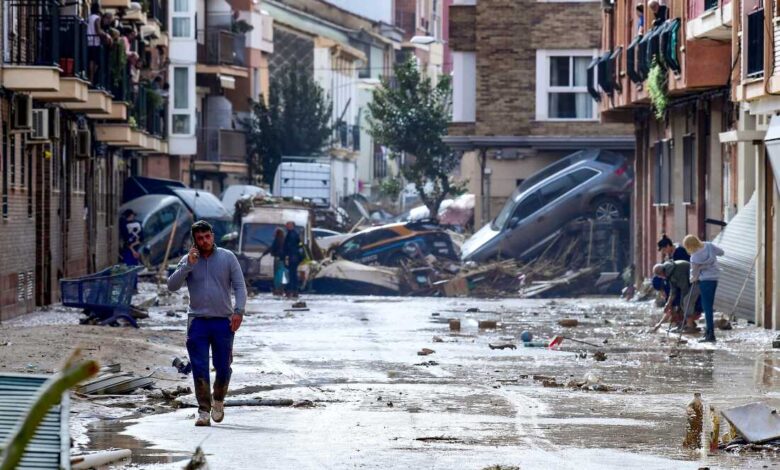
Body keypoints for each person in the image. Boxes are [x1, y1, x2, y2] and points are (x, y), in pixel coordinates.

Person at [167, 221, 247, 426]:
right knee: (199, 366)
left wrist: (239, 311)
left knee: (222, 366)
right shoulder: (188, 260)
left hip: (223, 321)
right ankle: (203, 410)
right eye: (200, 238)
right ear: (194, 241)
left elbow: (239, 286)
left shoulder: (228, 258)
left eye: (207, 236)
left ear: (213, 236)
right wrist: (188, 266)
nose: (204, 241)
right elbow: (172, 286)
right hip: (197, 322)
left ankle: (218, 399)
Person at [684, 234, 724, 343]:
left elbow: (694, 274)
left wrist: (693, 279)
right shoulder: (709, 245)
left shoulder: (694, 257)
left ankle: (710, 334)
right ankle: (708, 333)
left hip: (705, 281)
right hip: (715, 278)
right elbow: (721, 252)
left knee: (707, 308)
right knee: (708, 307)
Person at [651, 260, 702, 333]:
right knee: (682, 303)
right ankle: (688, 324)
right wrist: (668, 304)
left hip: (697, 281)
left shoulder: (676, 271)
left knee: (686, 301)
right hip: (690, 283)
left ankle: (690, 326)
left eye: (660, 276)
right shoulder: (669, 274)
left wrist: (681, 302)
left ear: (662, 273)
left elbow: (685, 288)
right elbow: (673, 290)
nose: (662, 278)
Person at [282, 221, 303, 298]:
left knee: (291, 274)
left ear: (292, 226)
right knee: (292, 274)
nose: (287, 226)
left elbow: (289, 246)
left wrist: (287, 256)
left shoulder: (292, 234)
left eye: (288, 225)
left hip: (292, 257)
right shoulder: (294, 234)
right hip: (294, 257)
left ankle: (291, 290)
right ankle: (293, 290)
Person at [263, 228, 286, 297]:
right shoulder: (283, 240)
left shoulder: (277, 240)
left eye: (275, 232)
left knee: (277, 274)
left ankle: (277, 289)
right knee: (281, 274)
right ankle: (281, 289)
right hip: (282, 259)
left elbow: (272, 248)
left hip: (277, 258)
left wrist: (264, 254)